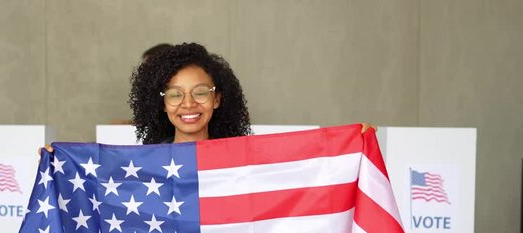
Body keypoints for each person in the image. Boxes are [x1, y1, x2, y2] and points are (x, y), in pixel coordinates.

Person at [43, 42, 375, 151]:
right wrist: (59, 165)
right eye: (175, 94)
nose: (188, 104)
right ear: (161, 102)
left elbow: (301, 172)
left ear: (217, 98)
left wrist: (348, 145)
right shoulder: (141, 164)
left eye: (200, 92)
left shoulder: (241, 160)